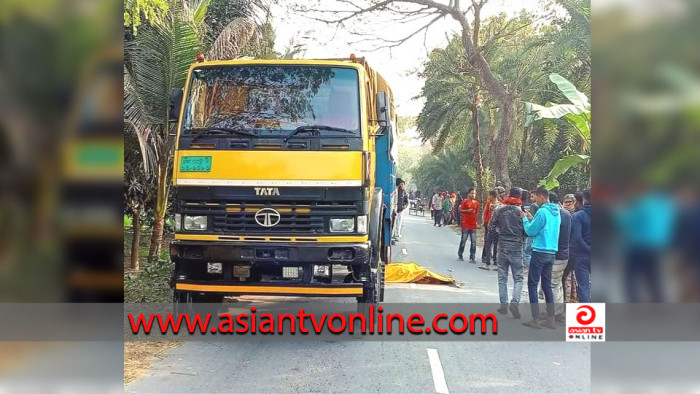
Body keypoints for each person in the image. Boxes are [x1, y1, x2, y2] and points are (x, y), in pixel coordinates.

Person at [521, 186, 561, 329]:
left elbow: (530, 231)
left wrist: (525, 219)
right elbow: (544, 227)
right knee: (547, 285)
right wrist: (533, 218)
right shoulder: (557, 213)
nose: (534, 200)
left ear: (543, 197)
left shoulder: (542, 211)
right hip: (551, 252)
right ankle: (551, 319)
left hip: (539, 251)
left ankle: (535, 319)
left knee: (532, 284)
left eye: (536, 197)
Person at [488, 187, 525, 318]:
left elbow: (490, 227)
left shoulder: (499, 210)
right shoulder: (521, 212)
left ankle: (503, 305)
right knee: (518, 278)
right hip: (516, 247)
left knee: (502, 277)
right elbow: (527, 231)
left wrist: (500, 233)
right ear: (520, 197)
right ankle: (515, 302)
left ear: (509, 195)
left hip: (502, 245)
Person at [549, 192, 572, 322]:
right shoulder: (567, 214)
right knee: (557, 284)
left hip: (556, 254)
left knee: (552, 284)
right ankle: (559, 312)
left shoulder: (556, 215)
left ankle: (552, 314)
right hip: (565, 253)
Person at [571, 188, 592, 302]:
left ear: (584, 200)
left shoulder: (578, 216)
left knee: (583, 287)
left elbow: (577, 238)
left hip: (581, 255)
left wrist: (589, 249)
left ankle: (586, 318)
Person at [480, 190, 501, 270]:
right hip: (498, 228)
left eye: (490, 195)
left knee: (488, 244)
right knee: (496, 245)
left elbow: (485, 212)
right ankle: (495, 261)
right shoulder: (500, 204)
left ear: (492, 196)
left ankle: (487, 262)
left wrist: (484, 222)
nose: (489, 197)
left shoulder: (491, 204)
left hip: (491, 226)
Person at [458, 188, 479, 263]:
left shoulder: (476, 203)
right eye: (472, 193)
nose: (473, 195)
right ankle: (460, 255)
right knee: (463, 240)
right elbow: (460, 210)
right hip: (465, 224)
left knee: (473, 242)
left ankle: (472, 257)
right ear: (468, 194)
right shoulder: (464, 201)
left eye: (474, 193)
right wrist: (467, 211)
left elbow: (476, 213)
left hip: (473, 225)